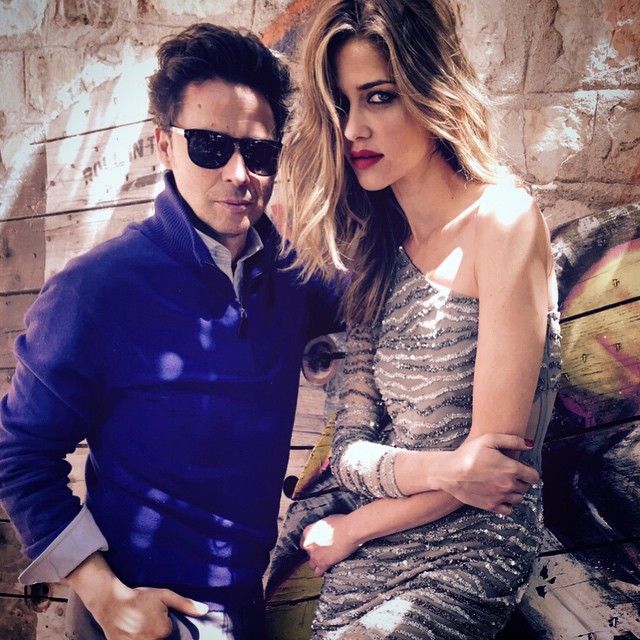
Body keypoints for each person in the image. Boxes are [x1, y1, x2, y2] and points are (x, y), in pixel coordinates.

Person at [0, 23, 345, 640]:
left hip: (248, 609)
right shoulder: (97, 289)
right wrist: (108, 599)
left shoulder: (294, 279)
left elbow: (391, 301)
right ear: (164, 144)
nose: (239, 173)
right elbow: (19, 454)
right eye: (210, 146)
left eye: (259, 153)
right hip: (140, 617)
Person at [279, 1, 562, 638]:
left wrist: (353, 525)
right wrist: (442, 469)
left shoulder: (503, 223)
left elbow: (492, 472)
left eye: (379, 97)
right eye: (342, 105)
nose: (353, 129)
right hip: (367, 558)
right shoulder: (375, 260)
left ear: (432, 90)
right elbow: (348, 452)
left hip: (466, 553)